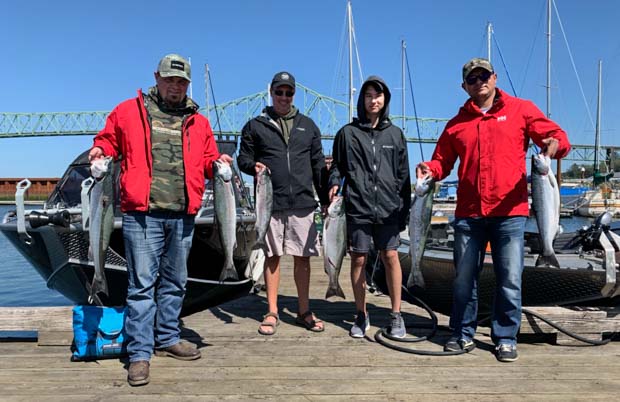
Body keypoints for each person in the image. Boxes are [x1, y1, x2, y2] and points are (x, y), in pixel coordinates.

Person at [89, 53, 233, 386]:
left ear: (188, 84)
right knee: (142, 287)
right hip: (143, 214)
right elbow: (108, 139)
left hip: (183, 214)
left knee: (176, 282)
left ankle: (167, 336)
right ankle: (140, 353)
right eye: (170, 80)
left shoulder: (200, 122)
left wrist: (219, 163)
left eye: (181, 81)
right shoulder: (128, 111)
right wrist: (100, 149)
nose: (175, 86)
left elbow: (209, 158)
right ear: (157, 77)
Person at [417, 58, 570, 362]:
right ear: (465, 86)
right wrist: (429, 169)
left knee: (510, 277)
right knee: (463, 278)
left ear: (495, 78)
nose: (479, 82)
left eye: (484, 76)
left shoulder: (521, 110)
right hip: (469, 214)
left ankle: (505, 337)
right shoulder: (455, 124)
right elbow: (442, 163)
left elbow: (559, 140)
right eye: (472, 79)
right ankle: (462, 333)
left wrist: (552, 147)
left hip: (510, 214)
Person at [237, 71, 328, 336]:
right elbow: (243, 158)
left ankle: (303, 311)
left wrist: (324, 198)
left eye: (289, 93)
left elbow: (318, 164)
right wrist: (251, 166)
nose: (284, 97)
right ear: (271, 93)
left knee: (303, 258)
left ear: (293, 95)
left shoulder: (308, 125)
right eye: (279, 92)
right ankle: (272, 311)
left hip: (302, 201)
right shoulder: (255, 125)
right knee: (272, 256)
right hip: (270, 203)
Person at [328, 76, 411, 339]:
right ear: (361, 100)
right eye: (368, 95)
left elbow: (404, 176)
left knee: (390, 257)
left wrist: (404, 211)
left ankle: (396, 315)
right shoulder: (346, 134)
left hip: (389, 209)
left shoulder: (396, 135)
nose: (373, 100)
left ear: (385, 99)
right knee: (359, 259)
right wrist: (332, 184)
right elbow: (336, 167)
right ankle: (361, 314)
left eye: (378, 95)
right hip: (357, 208)